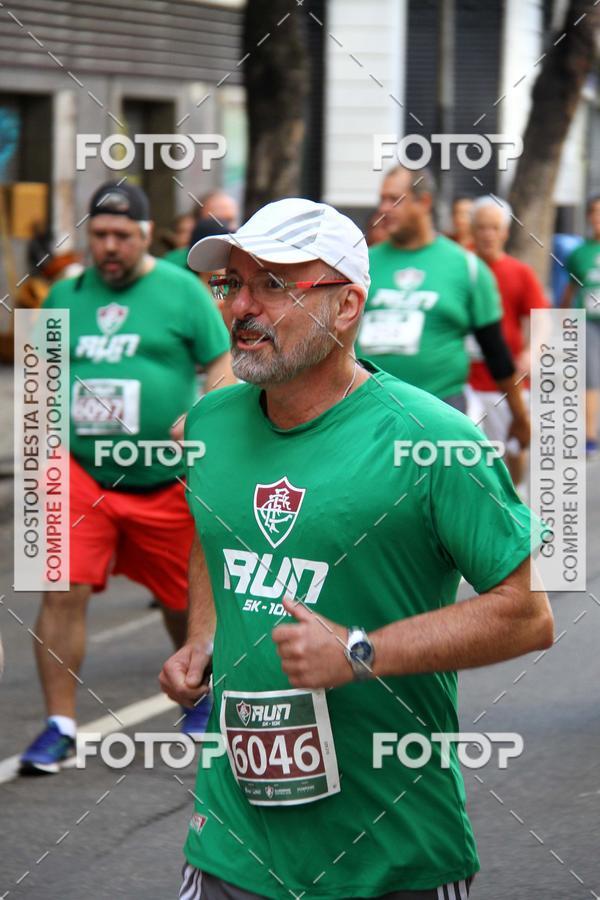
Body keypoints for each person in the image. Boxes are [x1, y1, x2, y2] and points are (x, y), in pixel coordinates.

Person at [159, 197, 554, 900]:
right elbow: (215, 529)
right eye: (232, 283)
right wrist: (202, 635)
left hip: (388, 854)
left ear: (346, 305)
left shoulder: (435, 442)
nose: (241, 307)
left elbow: (528, 613)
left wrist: (360, 651)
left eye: (272, 285)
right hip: (230, 847)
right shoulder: (208, 425)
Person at [19, 181, 234, 775]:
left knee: (180, 599)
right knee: (61, 590)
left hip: (164, 478)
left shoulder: (182, 291)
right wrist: (40, 456)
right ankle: (60, 726)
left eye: (121, 235)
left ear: (144, 235)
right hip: (81, 473)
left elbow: (221, 360)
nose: (109, 246)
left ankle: (198, 692)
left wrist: (207, 414)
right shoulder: (62, 294)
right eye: (99, 234)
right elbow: (38, 378)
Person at [357, 166, 530, 451]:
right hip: (367, 412)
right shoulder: (362, 264)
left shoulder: (467, 268)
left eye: (394, 200)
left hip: (441, 413)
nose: (384, 208)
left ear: (424, 202)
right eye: (382, 199)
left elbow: (496, 352)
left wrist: (519, 415)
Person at [469, 196, 549, 485]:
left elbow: (541, 319)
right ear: (472, 230)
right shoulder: (462, 269)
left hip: (507, 380)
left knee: (513, 446)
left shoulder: (520, 272)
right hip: (466, 381)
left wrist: (532, 351)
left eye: (494, 228)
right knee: (469, 450)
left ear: (505, 232)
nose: (487, 235)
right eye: (481, 228)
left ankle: (515, 495)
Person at [561, 193, 600, 454]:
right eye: (595, 212)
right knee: (590, 378)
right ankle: (589, 435)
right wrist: (563, 318)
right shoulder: (579, 253)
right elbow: (570, 288)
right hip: (587, 321)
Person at [163, 190, 240, 270]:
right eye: (217, 221)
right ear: (195, 222)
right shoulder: (173, 264)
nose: (228, 228)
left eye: (231, 220)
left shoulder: (243, 258)